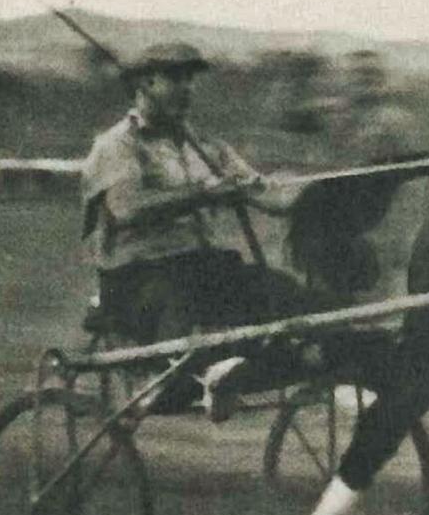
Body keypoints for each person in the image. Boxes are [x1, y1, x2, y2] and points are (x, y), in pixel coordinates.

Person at [81, 41, 325, 420]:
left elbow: (272, 199)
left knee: (286, 296)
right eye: (175, 78)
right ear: (145, 83)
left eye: (191, 79)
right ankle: (181, 377)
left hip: (201, 268)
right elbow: (126, 208)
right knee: (189, 296)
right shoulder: (117, 146)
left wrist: (325, 191)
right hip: (137, 279)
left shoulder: (209, 148)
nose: (187, 88)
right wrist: (202, 194)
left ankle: (241, 370)